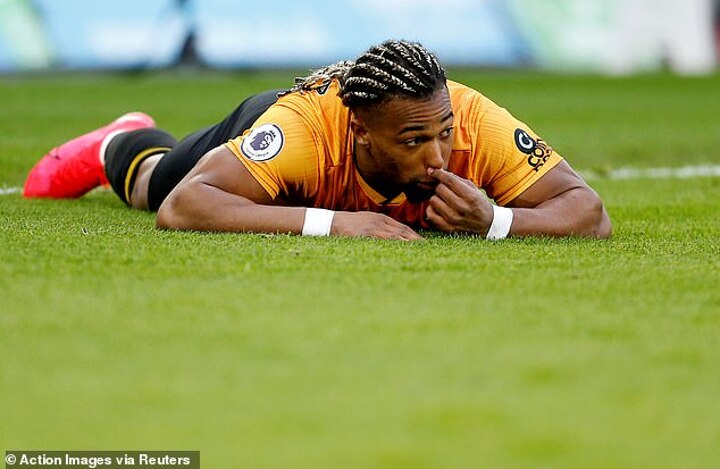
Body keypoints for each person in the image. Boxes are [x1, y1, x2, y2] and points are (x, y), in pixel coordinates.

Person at [23, 39, 611, 241]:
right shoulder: (302, 132)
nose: (438, 156)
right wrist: (336, 223)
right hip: (266, 123)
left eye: (443, 133)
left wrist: (496, 222)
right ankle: (120, 140)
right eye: (412, 141)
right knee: (154, 184)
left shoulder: (476, 123)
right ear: (361, 131)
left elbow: (589, 211)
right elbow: (183, 208)